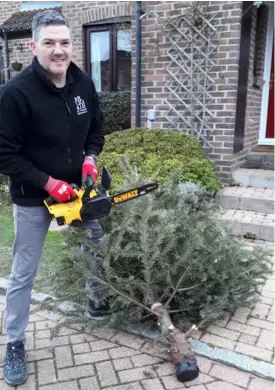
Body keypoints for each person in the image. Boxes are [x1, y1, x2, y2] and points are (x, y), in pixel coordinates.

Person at [0, 9, 109, 387]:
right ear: (34, 47)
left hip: (77, 193)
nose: (58, 50)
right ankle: (14, 343)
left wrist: (91, 160)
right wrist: (47, 183)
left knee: (94, 246)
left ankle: (97, 300)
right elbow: (5, 154)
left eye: (64, 42)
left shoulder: (83, 85)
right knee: (23, 273)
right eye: (49, 43)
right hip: (34, 197)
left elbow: (96, 130)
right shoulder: (15, 94)